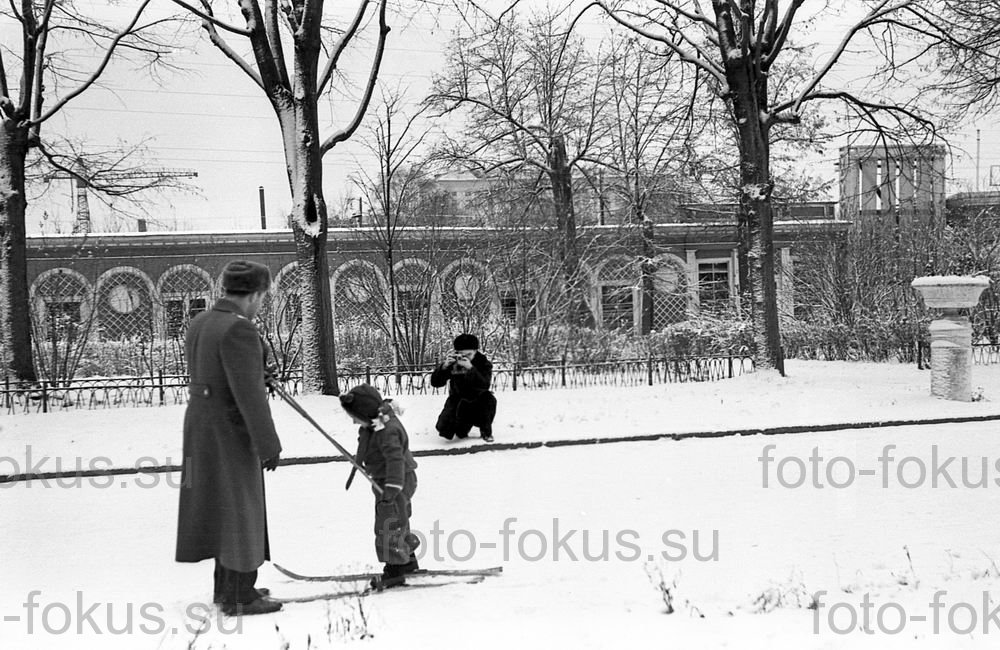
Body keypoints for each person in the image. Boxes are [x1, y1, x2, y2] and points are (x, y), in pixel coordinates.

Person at [175, 260, 283, 617]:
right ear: (254, 294)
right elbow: (248, 396)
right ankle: (240, 594)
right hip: (231, 431)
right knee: (241, 510)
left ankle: (228, 588)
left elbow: (220, 375)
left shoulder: (201, 322)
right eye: (262, 296)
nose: (261, 303)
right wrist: (268, 445)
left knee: (220, 510)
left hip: (202, 429)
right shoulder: (240, 330)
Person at [340, 384, 420, 589]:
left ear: (366, 413)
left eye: (355, 416)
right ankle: (408, 560)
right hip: (393, 479)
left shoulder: (386, 430)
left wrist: (391, 489)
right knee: (398, 518)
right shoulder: (376, 423)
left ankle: (394, 569)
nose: (353, 420)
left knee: (388, 522)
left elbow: (395, 459)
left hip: (395, 481)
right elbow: (367, 441)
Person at [430, 333, 497, 443]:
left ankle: (486, 432)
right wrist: (444, 367)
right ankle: (461, 426)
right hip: (458, 401)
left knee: (489, 399)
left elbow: (484, 384)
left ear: (476, 351)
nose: (465, 357)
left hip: (478, 401)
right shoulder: (454, 362)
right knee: (455, 432)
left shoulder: (483, 363)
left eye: (469, 354)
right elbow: (436, 383)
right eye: (461, 354)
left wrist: (471, 368)